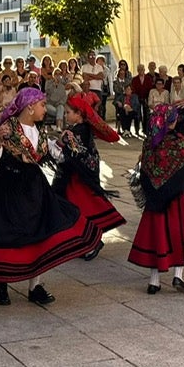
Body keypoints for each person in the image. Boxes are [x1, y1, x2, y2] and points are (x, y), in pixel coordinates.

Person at [0, 87, 101, 307]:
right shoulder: (7, 128)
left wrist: (62, 142)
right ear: (30, 106)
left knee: (40, 234)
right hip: (8, 187)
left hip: (35, 187)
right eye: (43, 105)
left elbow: (53, 154)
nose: (46, 109)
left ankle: (35, 286)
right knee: (6, 235)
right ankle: (2, 283)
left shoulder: (39, 131)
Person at [127, 104, 184, 294]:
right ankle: (178, 276)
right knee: (181, 234)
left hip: (155, 201)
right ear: (173, 120)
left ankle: (154, 281)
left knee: (156, 236)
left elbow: (145, 171)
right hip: (179, 199)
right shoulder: (178, 141)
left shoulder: (149, 142)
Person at [52, 91, 126, 261]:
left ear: (78, 114)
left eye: (69, 112)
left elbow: (74, 152)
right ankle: (85, 240)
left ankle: (93, 240)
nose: (66, 114)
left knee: (86, 206)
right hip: (78, 174)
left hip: (81, 175)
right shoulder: (78, 128)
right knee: (79, 205)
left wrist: (61, 144)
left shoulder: (80, 129)